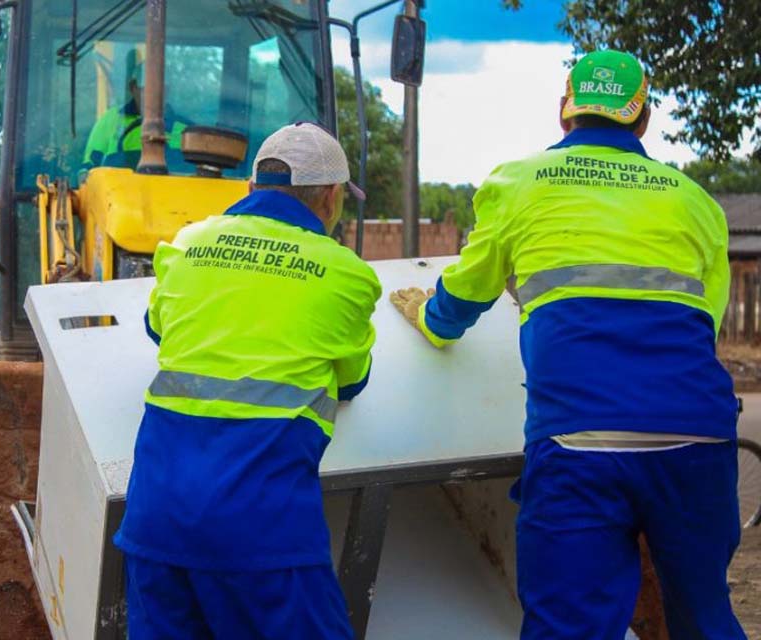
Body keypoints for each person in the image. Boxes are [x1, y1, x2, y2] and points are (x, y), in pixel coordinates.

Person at [391, 50, 745, 639]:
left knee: (568, 628)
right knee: (705, 618)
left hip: (580, 440)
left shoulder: (519, 183)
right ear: (645, 119)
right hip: (696, 437)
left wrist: (429, 318)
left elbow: (466, 296)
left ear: (564, 112)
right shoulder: (695, 202)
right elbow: (702, 326)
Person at [116, 122, 379, 639]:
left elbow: (157, 327)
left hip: (157, 519)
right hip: (264, 533)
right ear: (330, 198)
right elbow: (352, 382)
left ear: (251, 189)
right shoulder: (347, 275)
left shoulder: (185, 246)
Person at [83, 59, 188, 171]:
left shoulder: (185, 131)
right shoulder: (110, 121)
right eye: (146, 87)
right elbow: (89, 169)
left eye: (161, 87)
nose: (153, 94)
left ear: (168, 90)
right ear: (133, 88)